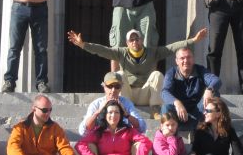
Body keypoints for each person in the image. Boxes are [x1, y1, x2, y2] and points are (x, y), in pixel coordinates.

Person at [66, 27, 207, 106]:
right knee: (120, 74)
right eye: (131, 40)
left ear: (141, 40)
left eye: (137, 39)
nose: (134, 42)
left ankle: (155, 109)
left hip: (146, 93)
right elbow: (103, 50)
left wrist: (193, 40)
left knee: (157, 75)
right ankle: (122, 107)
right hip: (129, 95)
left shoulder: (152, 52)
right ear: (127, 43)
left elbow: (171, 48)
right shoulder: (122, 52)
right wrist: (83, 45)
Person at [160, 46, 221, 135]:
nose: (186, 61)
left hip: (199, 113)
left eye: (189, 57)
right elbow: (165, 92)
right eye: (182, 58)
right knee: (166, 107)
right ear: (176, 61)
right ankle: (167, 137)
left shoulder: (200, 70)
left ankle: (207, 132)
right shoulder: (171, 73)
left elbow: (216, 80)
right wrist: (177, 102)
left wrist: (209, 90)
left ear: (193, 59)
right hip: (177, 117)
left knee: (214, 93)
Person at [78, 72, 146, 134]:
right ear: (104, 86)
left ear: (121, 87)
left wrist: (126, 114)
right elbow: (83, 130)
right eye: (110, 86)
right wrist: (98, 112)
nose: (113, 90)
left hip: (122, 138)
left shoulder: (127, 103)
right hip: (101, 139)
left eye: (117, 87)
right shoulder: (96, 104)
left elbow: (141, 127)